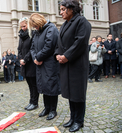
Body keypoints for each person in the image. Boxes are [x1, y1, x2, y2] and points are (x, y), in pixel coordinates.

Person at [54, 0, 91, 132]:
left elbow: (80, 42)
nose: (61, 12)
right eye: (61, 9)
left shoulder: (82, 22)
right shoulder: (64, 25)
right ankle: (73, 117)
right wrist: (58, 54)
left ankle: (79, 121)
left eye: (63, 9)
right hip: (66, 64)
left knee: (78, 93)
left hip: (77, 64)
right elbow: (59, 44)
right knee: (70, 92)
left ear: (72, 9)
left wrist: (66, 56)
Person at [29, 13, 61, 120]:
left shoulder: (51, 29)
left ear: (40, 22)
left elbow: (49, 46)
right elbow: (32, 47)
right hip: (40, 63)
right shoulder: (37, 32)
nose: (35, 28)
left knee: (51, 87)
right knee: (43, 86)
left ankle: (53, 110)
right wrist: (35, 58)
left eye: (35, 26)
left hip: (50, 64)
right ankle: (46, 108)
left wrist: (38, 58)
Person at [18, 17, 39, 111]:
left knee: (33, 84)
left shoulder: (33, 34)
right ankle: (31, 101)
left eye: (24, 26)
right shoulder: (21, 35)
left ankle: (34, 103)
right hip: (24, 64)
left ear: (28, 25)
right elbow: (19, 49)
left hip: (31, 63)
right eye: (21, 26)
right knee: (29, 84)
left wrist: (25, 59)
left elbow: (32, 49)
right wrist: (20, 59)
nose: (23, 28)